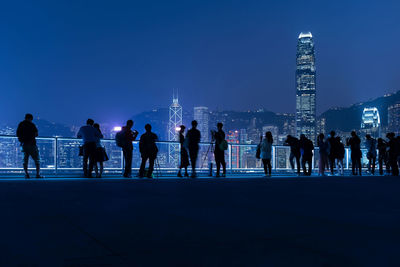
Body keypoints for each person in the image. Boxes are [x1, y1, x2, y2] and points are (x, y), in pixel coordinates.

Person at [16, 113, 42, 178]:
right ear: (31, 118)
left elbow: (17, 133)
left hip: (24, 144)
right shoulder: (32, 125)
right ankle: (37, 174)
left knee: (25, 160)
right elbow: (36, 134)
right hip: (32, 144)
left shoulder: (21, 124)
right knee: (37, 159)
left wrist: (22, 139)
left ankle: (26, 174)